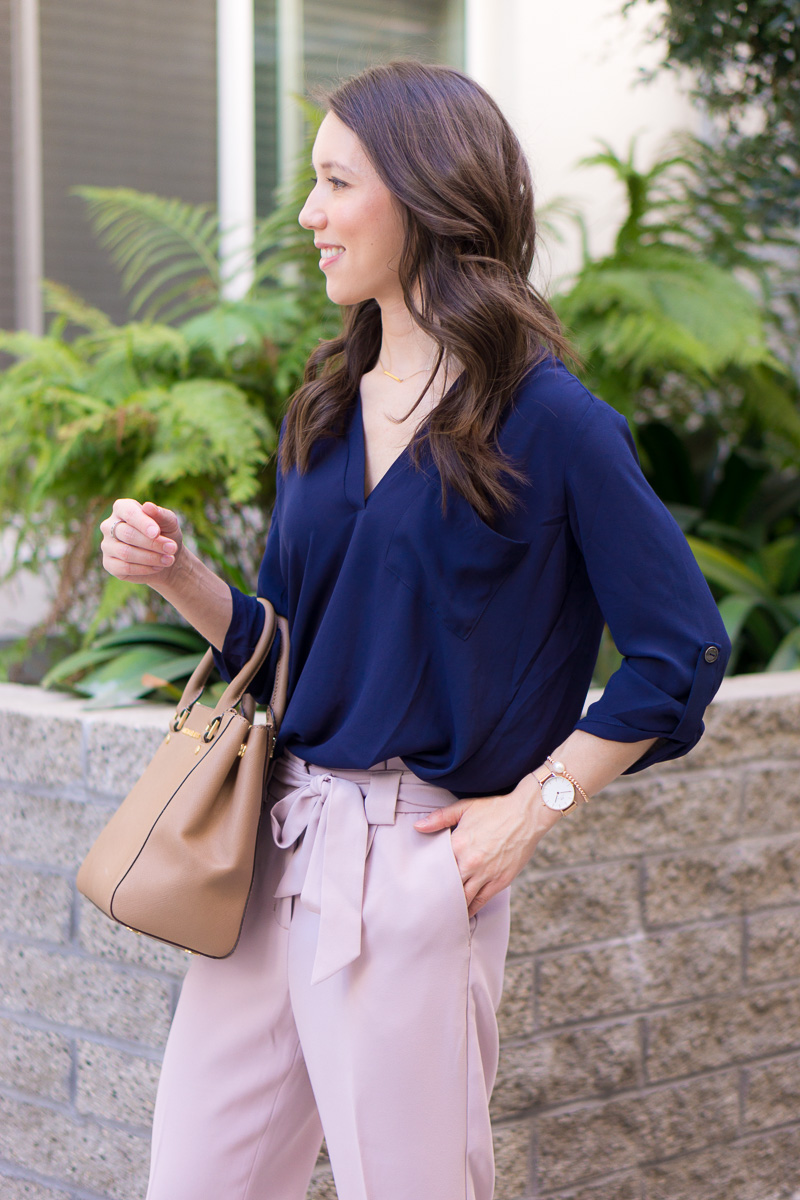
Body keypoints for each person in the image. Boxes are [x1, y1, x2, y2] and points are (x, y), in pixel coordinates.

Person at [99, 60, 730, 1200]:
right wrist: (177, 572)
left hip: (412, 865)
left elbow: (679, 650)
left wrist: (529, 815)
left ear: (427, 198)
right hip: (271, 855)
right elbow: (287, 643)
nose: (308, 215)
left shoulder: (553, 425)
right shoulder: (327, 403)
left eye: (336, 182)